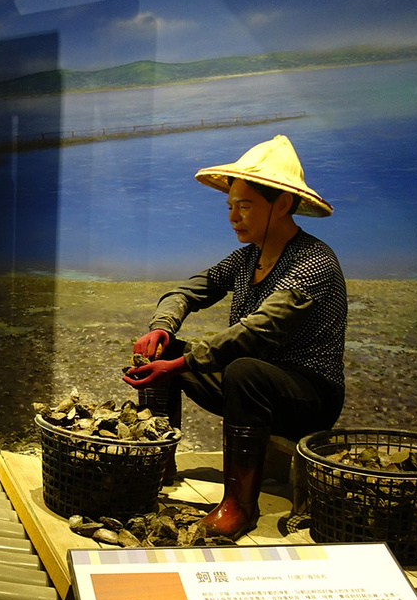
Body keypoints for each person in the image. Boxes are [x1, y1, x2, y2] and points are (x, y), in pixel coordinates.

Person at [123, 135, 346, 537]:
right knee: (165, 350)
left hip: (308, 394)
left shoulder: (314, 263)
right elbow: (190, 289)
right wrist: (162, 327)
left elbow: (259, 332)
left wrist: (184, 363)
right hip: (251, 383)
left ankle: (239, 504)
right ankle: (157, 464)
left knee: (242, 368)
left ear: (282, 204)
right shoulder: (248, 257)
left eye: (245, 206)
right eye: (230, 206)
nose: (233, 217)